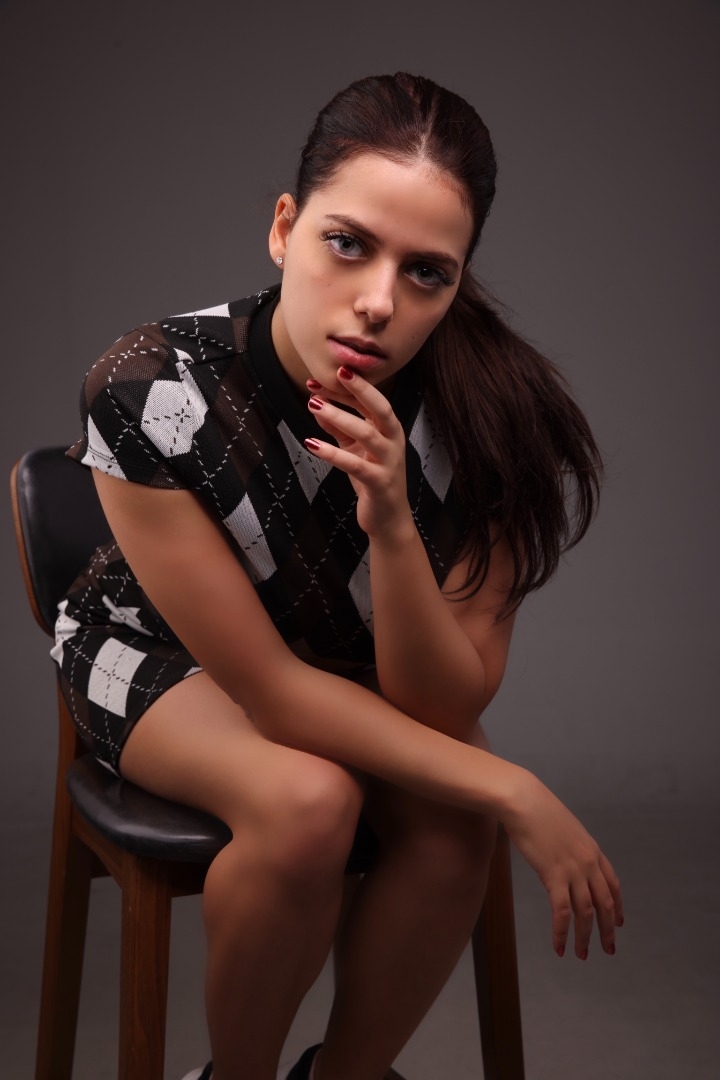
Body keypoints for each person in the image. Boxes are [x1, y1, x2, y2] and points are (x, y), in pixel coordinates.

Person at [52, 72, 623, 1080]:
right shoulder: (151, 389)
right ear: (285, 228)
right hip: (154, 652)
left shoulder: (499, 422)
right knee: (310, 804)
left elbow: (443, 706)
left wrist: (392, 523)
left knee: (452, 824)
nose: (378, 304)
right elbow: (272, 692)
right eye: (348, 243)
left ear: (458, 282)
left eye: (427, 273)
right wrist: (519, 788)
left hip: (346, 664)